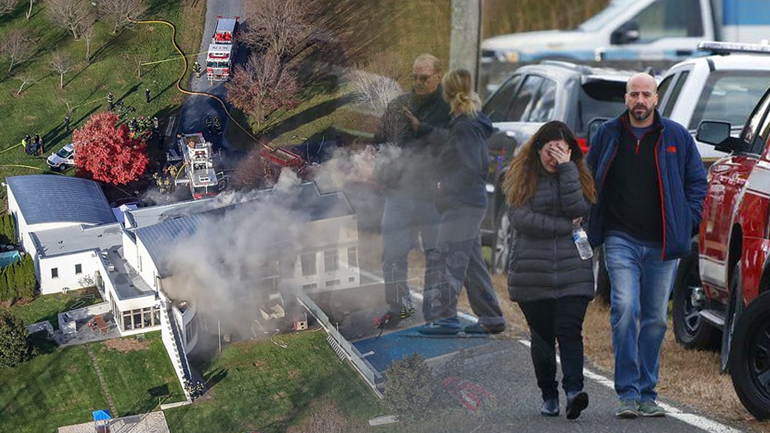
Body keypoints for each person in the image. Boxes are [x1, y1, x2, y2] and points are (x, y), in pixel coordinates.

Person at [586, 73, 707, 418]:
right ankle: (627, 392)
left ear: (656, 99)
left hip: (663, 243)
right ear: (626, 98)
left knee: (654, 319)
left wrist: (687, 219)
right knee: (625, 308)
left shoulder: (676, 136)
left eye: (646, 94)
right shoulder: (608, 133)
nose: (640, 100)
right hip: (620, 237)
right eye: (634, 94)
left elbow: (697, 182)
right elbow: (588, 178)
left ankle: (647, 392)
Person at [504, 121, 596, 419]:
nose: (554, 156)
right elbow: (521, 218)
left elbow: (578, 210)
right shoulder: (522, 176)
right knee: (542, 336)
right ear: (537, 150)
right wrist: (563, 227)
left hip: (573, 271)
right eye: (550, 150)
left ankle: (574, 391)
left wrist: (568, 169)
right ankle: (548, 394)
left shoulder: (578, 175)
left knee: (570, 331)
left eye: (562, 150)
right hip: (533, 272)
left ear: (571, 152)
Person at [418, 68, 506, 336]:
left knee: (447, 258)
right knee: (471, 264)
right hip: (470, 202)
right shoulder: (468, 122)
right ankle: (491, 317)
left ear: (447, 93)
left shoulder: (465, 126)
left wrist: (444, 186)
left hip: (462, 203)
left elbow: (473, 167)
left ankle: (445, 319)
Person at [373, 54, 451, 325]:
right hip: (400, 192)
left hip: (433, 195)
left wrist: (422, 129)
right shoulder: (398, 106)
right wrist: (382, 173)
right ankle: (400, 307)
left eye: (424, 78)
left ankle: (437, 311)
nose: (418, 82)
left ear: (438, 77)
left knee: (437, 255)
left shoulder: (450, 108)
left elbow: (456, 144)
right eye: (414, 77)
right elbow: (379, 142)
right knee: (392, 254)